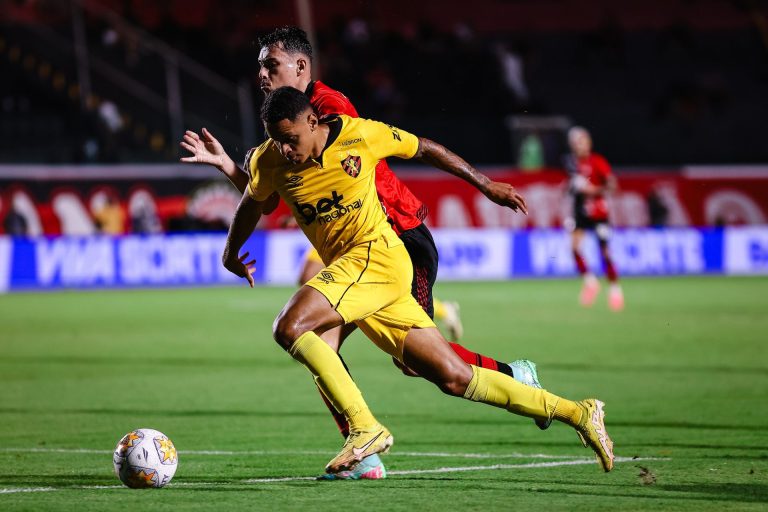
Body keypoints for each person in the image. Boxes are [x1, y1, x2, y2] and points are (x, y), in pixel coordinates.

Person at [180, 27, 549, 479]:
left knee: (411, 362)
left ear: (301, 67)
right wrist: (231, 168)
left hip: (397, 237)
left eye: (269, 64)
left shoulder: (328, 110)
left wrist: (485, 184)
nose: (261, 73)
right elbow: (272, 199)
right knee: (319, 341)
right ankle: (364, 451)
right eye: (260, 65)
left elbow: (377, 157)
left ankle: (514, 374)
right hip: (356, 252)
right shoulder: (287, 124)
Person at [222, 86, 615, 476]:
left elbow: (424, 147)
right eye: (278, 141)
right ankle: (578, 412)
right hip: (362, 279)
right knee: (453, 377)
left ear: (312, 121)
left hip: (378, 256)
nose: (286, 150)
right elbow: (253, 204)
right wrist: (230, 252)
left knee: (290, 326)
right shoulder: (268, 160)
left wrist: (484, 183)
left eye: (291, 140)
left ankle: (364, 428)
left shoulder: (359, 134)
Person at [564, 126, 624, 312]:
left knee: (605, 252)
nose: (579, 146)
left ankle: (615, 289)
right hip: (581, 213)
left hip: (599, 214)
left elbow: (612, 185)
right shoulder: (572, 163)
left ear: (589, 143)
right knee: (574, 247)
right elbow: (574, 188)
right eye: (576, 143)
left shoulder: (597, 162)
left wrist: (596, 189)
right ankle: (590, 282)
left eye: (582, 141)